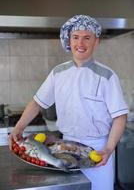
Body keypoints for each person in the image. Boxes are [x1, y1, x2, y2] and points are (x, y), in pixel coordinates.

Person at [9, 15, 128, 190]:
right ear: (69, 40)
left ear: (96, 42)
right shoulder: (58, 73)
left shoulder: (107, 76)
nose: (81, 43)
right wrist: (19, 127)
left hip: (98, 151)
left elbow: (120, 117)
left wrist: (109, 149)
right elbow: (37, 103)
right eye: (76, 37)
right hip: (65, 148)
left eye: (87, 38)